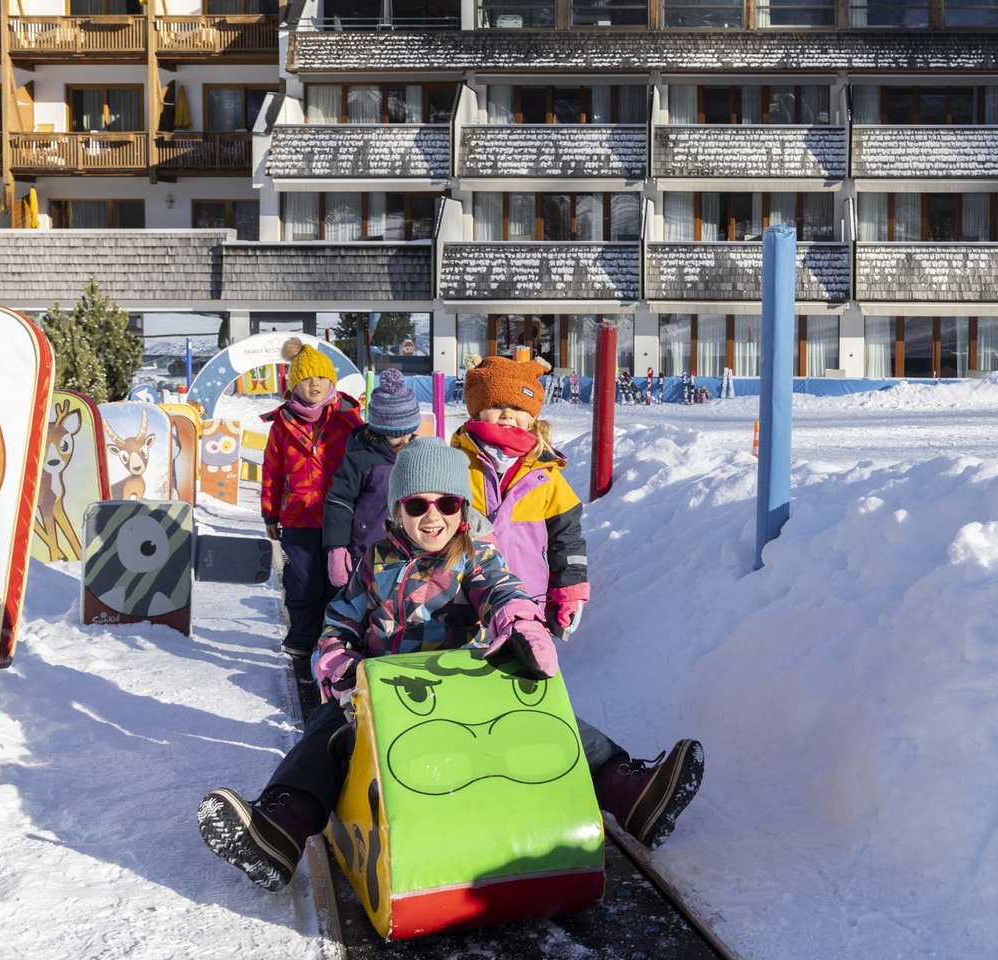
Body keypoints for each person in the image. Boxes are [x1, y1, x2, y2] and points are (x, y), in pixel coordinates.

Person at [198, 439, 558, 892]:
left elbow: (502, 592)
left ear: (462, 510)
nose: (433, 517)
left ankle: (625, 788)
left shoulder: (476, 559)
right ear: (396, 510)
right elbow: (339, 623)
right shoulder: (375, 563)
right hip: (384, 699)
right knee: (328, 730)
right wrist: (343, 666)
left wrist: (522, 625)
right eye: (418, 504)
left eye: (447, 504)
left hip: (460, 696)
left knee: (541, 710)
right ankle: (280, 827)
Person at [452, 349, 703, 848]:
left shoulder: (547, 474)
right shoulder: (452, 464)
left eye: (516, 406)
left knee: (531, 699)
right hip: (458, 607)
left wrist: (568, 592)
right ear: (475, 410)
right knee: (478, 704)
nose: (506, 415)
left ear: (534, 414)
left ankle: (627, 790)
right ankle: (492, 795)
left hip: (523, 609)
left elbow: (567, 541)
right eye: (495, 405)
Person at [261, 337, 363, 676]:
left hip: (340, 517)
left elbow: (365, 465)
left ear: (332, 382)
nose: (315, 384)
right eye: (307, 378)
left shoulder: (348, 420)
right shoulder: (282, 425)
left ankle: (335, 638)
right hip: (299, 519)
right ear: (295, 385)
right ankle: (303, 639)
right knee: (303, 581)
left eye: (321, 378)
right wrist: (270, 513)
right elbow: (272, 471)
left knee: (339, 581)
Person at [322, 368, 422, 587]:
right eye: (396, 435)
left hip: (409, 553)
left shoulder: (418, 456)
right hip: (366, 551)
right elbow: (339, 502)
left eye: (409, 432)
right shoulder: (360, 458)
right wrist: (336, 548)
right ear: (379, 430)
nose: (404, 440)